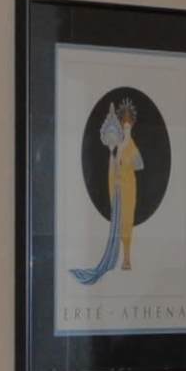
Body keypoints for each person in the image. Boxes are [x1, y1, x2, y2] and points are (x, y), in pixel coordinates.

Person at [69, 94, 144, 285]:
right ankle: (117, 256)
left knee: (128, 220)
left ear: (132, 126)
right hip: (118, 189)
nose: (126, 127)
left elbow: (139, 165)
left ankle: (127, 257)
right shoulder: (117, 146)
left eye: (128, 125)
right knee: (119, 221)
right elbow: (112, 169)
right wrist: (116, 164)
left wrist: (125, 163)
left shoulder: (131, 145)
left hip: (128, 188)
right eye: (124, 124)